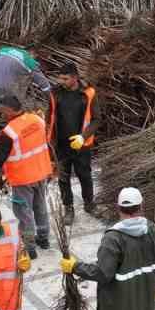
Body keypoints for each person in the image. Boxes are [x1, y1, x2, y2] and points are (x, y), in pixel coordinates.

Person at [0, 93, 52, 254]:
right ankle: (43, 239)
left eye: (2, 111)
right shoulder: (37, 119)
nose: (1, 114)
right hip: (41, 171)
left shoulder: (9, 132)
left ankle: (29, 247)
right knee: (40, 207)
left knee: (24, 213)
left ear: (8, 110)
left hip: (23, 179)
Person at [0, 46, 50, 157]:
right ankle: (11, 143)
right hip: (4, 90)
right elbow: (43, 83)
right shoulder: (29, 60)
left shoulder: (3, 50)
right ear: (32, 53)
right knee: (12, 115)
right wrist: (50, 96)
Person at [49, 64, 98, 222]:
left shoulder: (88, 93)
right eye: (60, 78)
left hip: (81, 145)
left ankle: (89, 204)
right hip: (61, 144)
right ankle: (68, 208)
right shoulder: (55, 93)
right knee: (63, 178)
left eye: (65, 78)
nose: (61, 81)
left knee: (85, 175)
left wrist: (83, 137)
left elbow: (96, 120)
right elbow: (50, 117)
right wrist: (49, 140)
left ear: (75, 78)